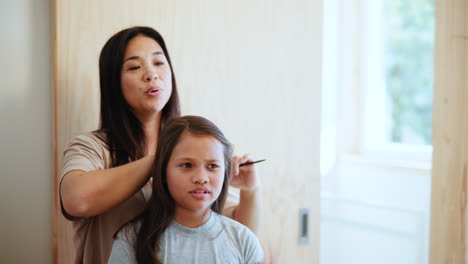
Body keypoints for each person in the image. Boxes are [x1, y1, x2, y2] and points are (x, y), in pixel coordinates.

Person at [59, 26, 262, 264]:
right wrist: (163, 158)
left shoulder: (193, 149)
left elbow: (237, 245)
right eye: (135, 67)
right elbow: (77, 200)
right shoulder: (92, 147)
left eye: (159, 63)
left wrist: (251, 191)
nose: (151, 74)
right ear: (113, 82)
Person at [107, 115, 264, 264]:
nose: (201, 178)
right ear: (162, 171)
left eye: (213, 166)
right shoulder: (132, 239)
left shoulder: (243, 239)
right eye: (187, 165)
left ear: (225, 173)